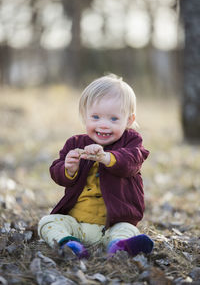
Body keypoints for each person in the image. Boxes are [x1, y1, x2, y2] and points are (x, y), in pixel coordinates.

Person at [38, 74, 154, 259]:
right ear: (85, 116)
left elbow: (132, 161)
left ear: (129, 121)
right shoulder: (75, 143)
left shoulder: (132, 141)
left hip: (112, 224)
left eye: (114, 119)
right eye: (96, 117)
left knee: (127, 229)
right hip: (76, 223)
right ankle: (69, 244)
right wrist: (69, 168)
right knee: (48, 222)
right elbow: (57, 174)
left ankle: (118, 246)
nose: (103, 125)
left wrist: (106, 158)